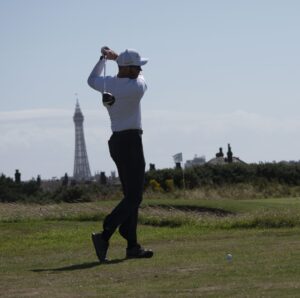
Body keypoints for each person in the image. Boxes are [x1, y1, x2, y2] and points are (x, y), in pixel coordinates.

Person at [87, 47, 153, 262]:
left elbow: (91, 79)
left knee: (130, 197)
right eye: (137, 67)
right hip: (132, 142)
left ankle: (132, 246)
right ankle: (105, 233)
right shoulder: (136, 87)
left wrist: (104, 59)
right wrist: (117, 60)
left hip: (116, 142)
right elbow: (142, 78)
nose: (140, 69)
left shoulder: (109, 84)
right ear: (130, 69)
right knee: (135, 196)